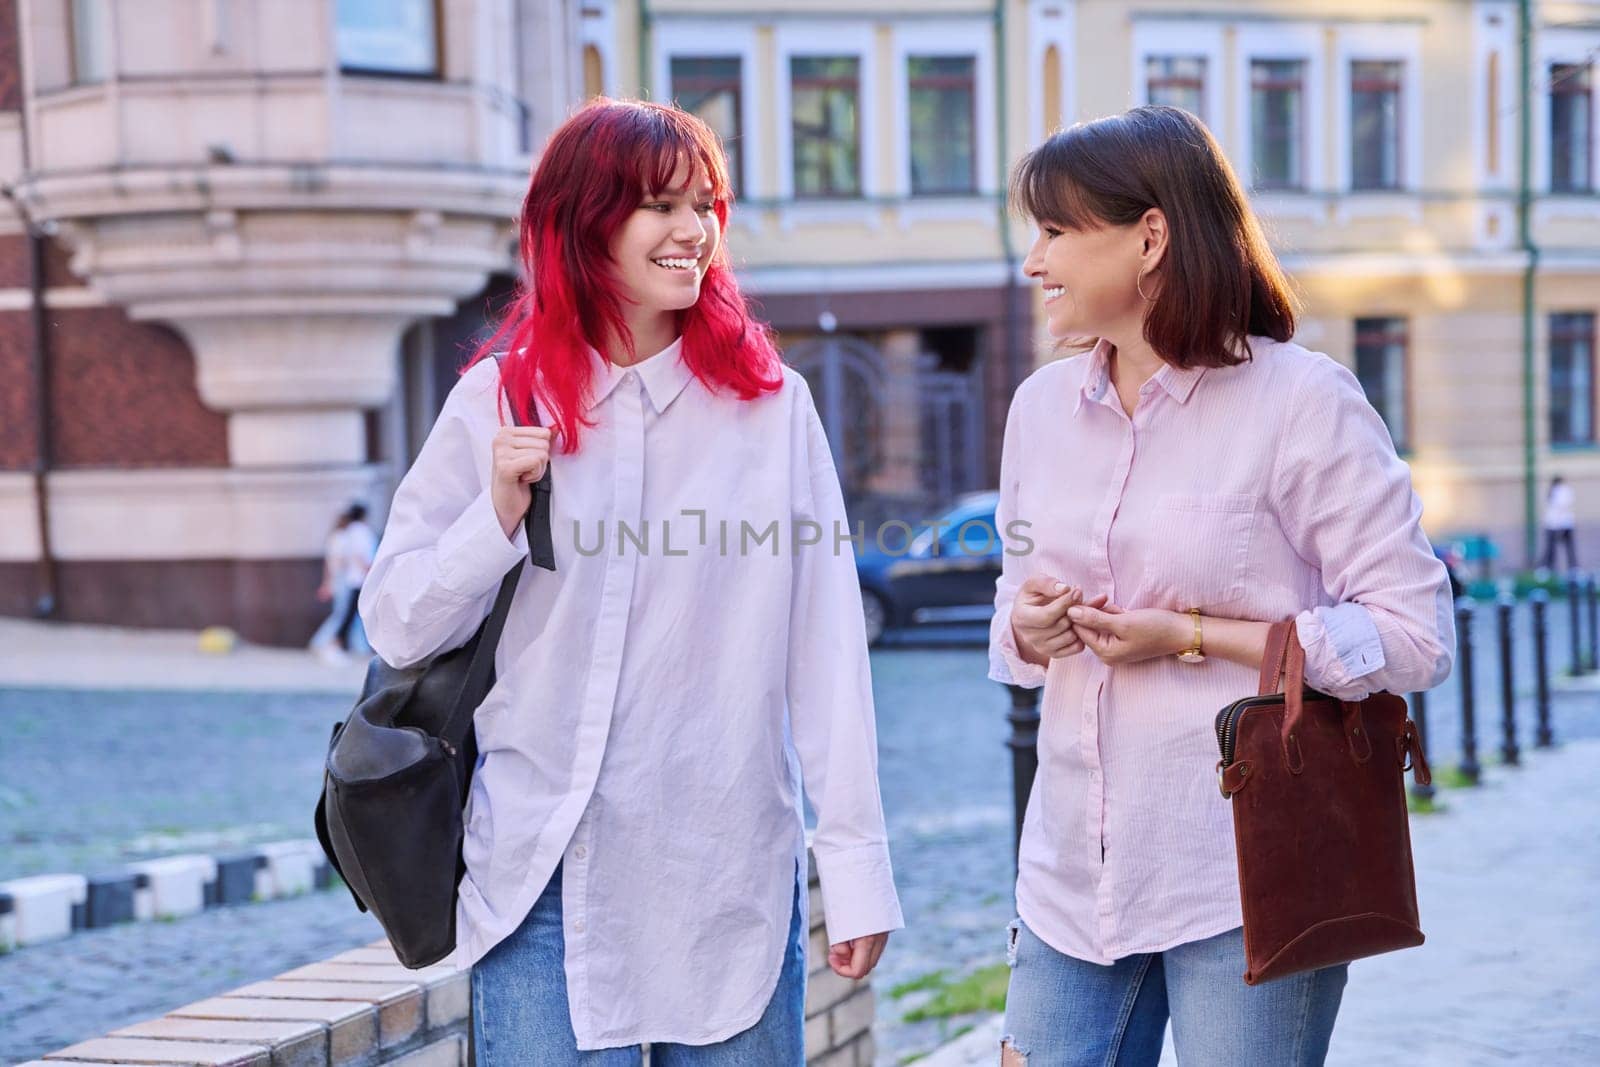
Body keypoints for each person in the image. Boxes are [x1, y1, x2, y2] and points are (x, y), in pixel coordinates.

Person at [359, 98, 901, 1065]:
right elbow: (396, 625)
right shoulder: (499, 399)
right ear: (584, 221)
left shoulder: (773, 410)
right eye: (661, 205)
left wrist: (853, 865)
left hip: (724, 869)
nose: (695, 232)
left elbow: (825, 651)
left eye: (708, 205)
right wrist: (494, 519)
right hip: (542, 878)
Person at [988, 106, 1455, 1065]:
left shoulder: (1301, 402)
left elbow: (1414, 634)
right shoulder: (1040, 411)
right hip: (1073, 873)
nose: (1033, 262)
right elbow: (1012, 622)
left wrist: (1195, 633)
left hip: (1246, 870)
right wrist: (1034, 622)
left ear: (1150, 236)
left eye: (1056, 232)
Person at [309, 503, 372, 663]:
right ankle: (324, 643)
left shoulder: (345, 535)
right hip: (345, 579)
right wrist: (329, 582)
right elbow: (338, 561)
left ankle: (359, 647)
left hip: (346, 578)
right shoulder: (344, 536)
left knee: (352, 615)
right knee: (344, 614)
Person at [1541, 476, 1578, 572]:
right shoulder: (1556, 491)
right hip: (1554, 524)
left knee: (1566, 547)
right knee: (1552, 548)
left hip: (1562, 524)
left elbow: (1562, 506)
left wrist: (1559, 523)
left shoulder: (1562, 491)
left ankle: (1572, 567)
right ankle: (1549, 566)